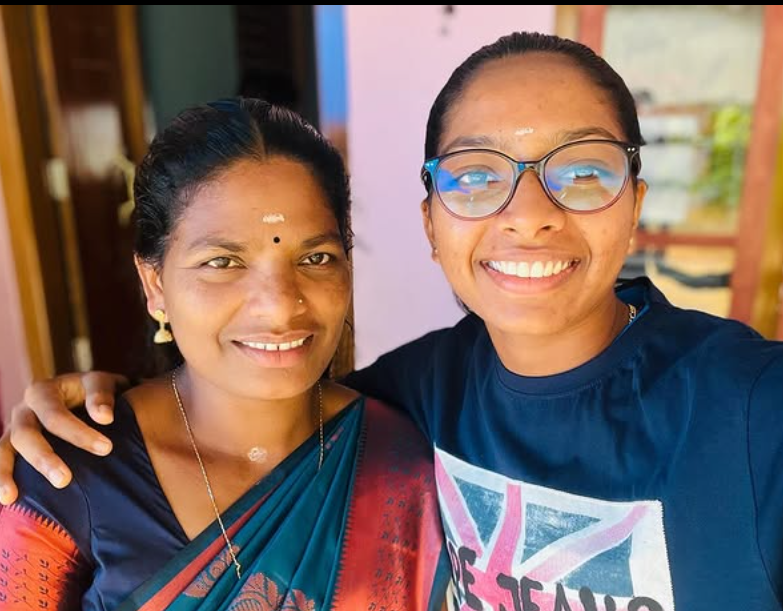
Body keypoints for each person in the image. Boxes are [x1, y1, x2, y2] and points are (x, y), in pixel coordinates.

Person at [4, 32, 783, 611]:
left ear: (634, 202)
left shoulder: (750, 408)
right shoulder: (416, 396)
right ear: (431, 221)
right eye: (478, 176)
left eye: (583, 171)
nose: (529, 216)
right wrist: (63, 402)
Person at [0, 98, 448, 610]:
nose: (281, 305)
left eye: (315, 257)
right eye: (222, 261)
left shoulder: (403, 458)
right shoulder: (62, 477)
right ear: (155, 283)